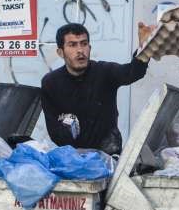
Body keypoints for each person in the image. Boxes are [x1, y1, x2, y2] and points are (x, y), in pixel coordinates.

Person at [39, 22, 154, 155]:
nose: (80, 50)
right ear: (60, 52)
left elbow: (132, 72)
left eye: (84, 43)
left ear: (90, 47)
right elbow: (54, 130)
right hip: (73, 160)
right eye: (72, 45)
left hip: (108, 155)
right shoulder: (51, 83)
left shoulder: (104, 71)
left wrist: (145, 48)